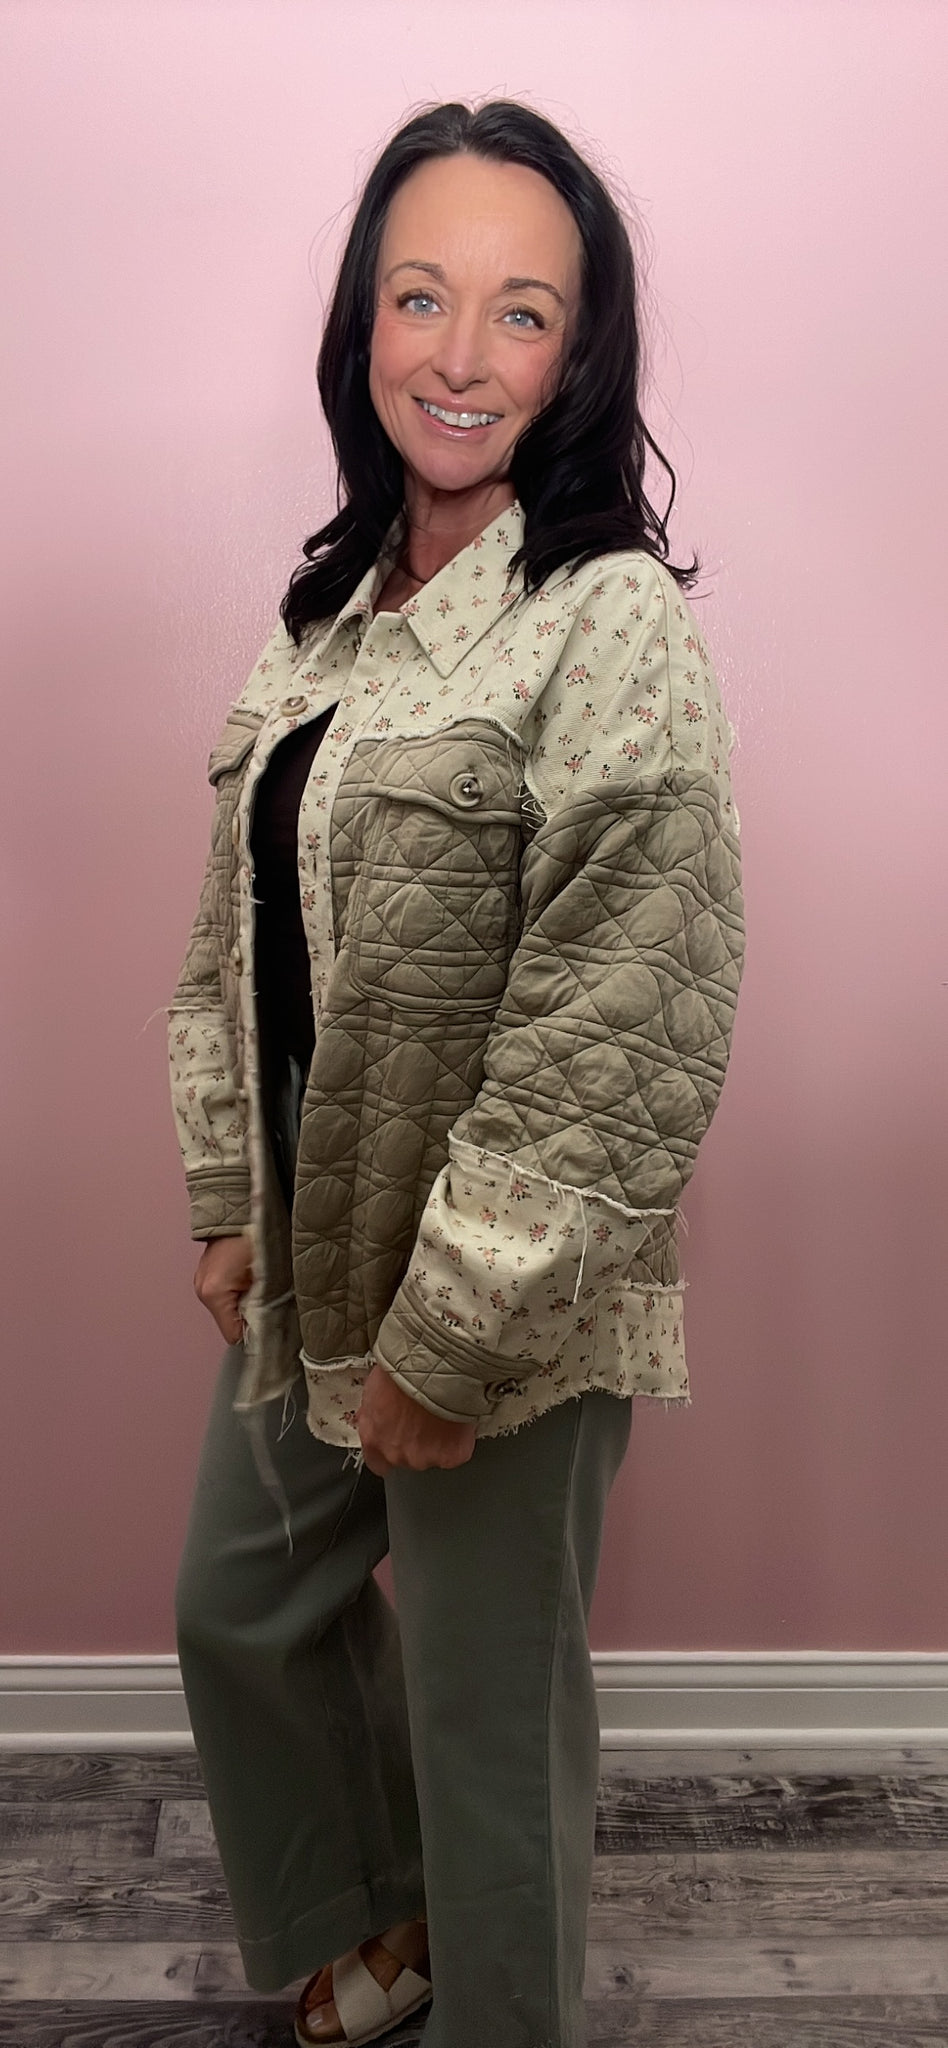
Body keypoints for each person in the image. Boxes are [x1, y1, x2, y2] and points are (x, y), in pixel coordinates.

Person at [170, 98, 744, 2048]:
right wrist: (230, 1194)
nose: (462, 355)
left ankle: (500, 2001)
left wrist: (455, 1332)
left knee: (486, 1721)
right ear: (362, 324)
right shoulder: (328, 618)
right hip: (317, 1250)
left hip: (506, 1285)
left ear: (579, 354)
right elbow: (231, 926)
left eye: (522, 311)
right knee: (239, 1603)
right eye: (421, 298)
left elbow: (626, 1019)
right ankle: (393, 1925)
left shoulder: (609, 620)